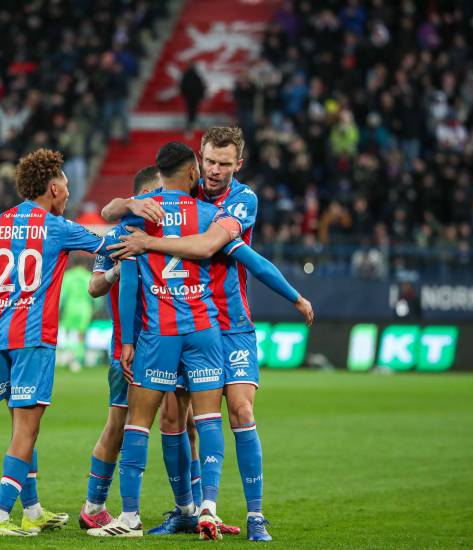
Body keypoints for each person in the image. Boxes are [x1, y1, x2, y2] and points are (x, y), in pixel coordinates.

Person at [109, 127, 315, 541]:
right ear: (198, 161)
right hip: (185, 320)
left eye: (225, 163)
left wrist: (147, 241)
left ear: (239, 163)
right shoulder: (189, 191)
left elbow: (208, 247)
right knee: (173, 418)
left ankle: (254, 515)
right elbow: (115, 209)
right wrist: (131, 204)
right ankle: (188, 510)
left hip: (231, 323)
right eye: (210, 162)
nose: (216, 171)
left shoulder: (242, 200)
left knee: (239, 410)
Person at [0, 148, 114, 537]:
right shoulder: (57, 227)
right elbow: (109, 246)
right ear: (50, 187)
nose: (67, 193)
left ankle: (32, 511)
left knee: (22, 427)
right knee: (26, 431)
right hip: (32, 338)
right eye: (65, 186)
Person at [88, 142, 230, 540]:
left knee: (138, 423)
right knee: (205, 421)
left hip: (159, 332)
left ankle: (129, 517)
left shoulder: (138, 216)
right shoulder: (210, 214)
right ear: (191, 173)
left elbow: (128, 279)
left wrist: (128, 341)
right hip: (204, 329)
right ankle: (207, 508)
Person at [78, 166, 159, 530]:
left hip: (169, 341)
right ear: (139, 198)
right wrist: (114, 271)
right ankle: (94, 506)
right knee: (119, 424)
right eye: (158, 193)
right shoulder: (115, 236)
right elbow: (94, 287)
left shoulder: (172, 233)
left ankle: (190, 509)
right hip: (126, 349)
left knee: (184, 422)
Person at [60, 256, 95, 372]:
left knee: (69, 332)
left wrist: (59, 308)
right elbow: (95, 295)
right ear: (84, 265)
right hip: (85, 309)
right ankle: (78, 359)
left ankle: (69, 354)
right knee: (81, 335)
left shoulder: (68, 276)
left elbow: (62, 295)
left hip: (70, 308)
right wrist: (96, 308)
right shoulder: (88, 275)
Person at [180, 63, 206, 136]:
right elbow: (201, 86)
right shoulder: (197, 76)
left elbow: (182, 86)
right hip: (195, 97)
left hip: (189, 97)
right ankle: (191, 125)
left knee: (190, 111)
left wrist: (184, 94)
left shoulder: (186, 75)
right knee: (193, 111)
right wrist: (201, 96)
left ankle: (190, 125)